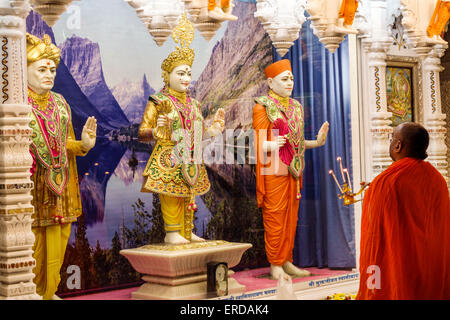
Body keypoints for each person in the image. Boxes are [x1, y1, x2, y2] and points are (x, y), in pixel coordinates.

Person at [138, 14, 225, 245]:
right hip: (168, 157)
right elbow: (142, 132)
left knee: (189, 195)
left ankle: (188, 231)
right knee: (172, 195)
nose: (186, 78)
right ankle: (172, 231)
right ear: (167, 76)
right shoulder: (158, 101)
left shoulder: (194, 104)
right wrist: (156, 132)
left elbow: (199, 131)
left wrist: (212, 130)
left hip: (191, 158)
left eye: (188, 73)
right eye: (180, 73)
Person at [26, 33, 97, 300]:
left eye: (52, 70)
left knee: (57, 247)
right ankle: (31, 292)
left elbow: (64, 143)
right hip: (31, 191)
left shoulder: (60, 103)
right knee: (32, 246)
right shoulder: (16, 105)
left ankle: (49, 291)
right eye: (41, 69)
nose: (49, 74)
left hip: (62, 189)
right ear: (26, 70)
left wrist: (84, 145)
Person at [252, 59, 329, 280]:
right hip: (273, 168)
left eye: (292, 79)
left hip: (294, 169)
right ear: (270, 81)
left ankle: (286, 261)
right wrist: (268, 144)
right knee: (275, 216)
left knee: (291, 218)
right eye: (285, 79)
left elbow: (295, 141)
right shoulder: (262, 106)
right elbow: (256, 142)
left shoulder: (295, 106)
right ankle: (275, 264)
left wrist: (316, 142)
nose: (290, 83)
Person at [356, 122, 450, 300]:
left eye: (392, 139)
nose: (390, 143)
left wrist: (374, 191)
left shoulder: (388, 181)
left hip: (399, 264)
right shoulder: (438, 179)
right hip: (430, 267)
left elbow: (375, 234)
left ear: (398, 145)